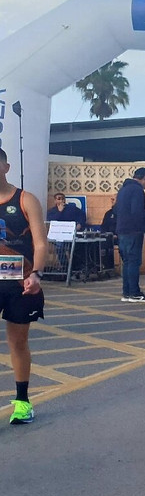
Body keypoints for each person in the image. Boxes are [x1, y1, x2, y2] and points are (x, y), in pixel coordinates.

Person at [0, 147, 48, 425]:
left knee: (17, 342)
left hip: (21, 281)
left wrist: (37, 275)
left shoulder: (25, 199)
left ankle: (22, 402)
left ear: (6, 168)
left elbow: (41, 242)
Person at [115, 166, 145, 302]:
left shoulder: (123, 189)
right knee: (134, 262)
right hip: (133, 230)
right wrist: (143, 227)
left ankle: (127, 292)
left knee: (127, 262)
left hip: (122, 230)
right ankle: (135, 293)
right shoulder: (137, 190)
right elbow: (137, 211)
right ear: (144, 178)